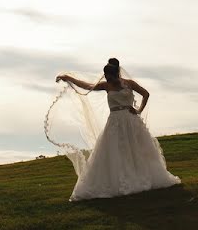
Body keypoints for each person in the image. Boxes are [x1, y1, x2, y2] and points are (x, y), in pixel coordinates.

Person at [54, 59, 181, 200]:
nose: (108, 78)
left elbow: (146, 94)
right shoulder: (106, 85)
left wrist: (139, 110)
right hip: (114, 122)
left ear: (116, 74)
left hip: (132, 121)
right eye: (106, 76)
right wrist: (68, 78)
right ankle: (119, 181)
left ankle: (142, 177)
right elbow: (87, 86)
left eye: (110, 76)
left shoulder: (129, 84)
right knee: (116, 151)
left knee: (137, 150)